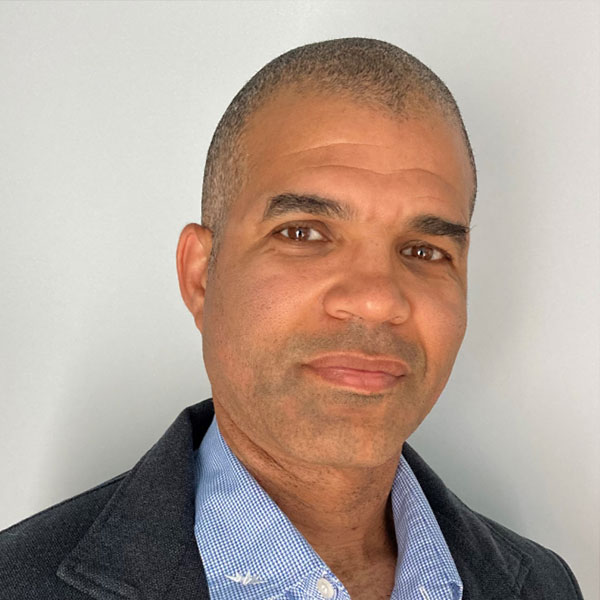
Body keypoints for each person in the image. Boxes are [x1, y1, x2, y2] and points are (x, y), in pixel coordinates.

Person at [0, 38, 582, 600]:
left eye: (424, 250)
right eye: (303, 233)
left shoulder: (545, 586)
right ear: (201, 276)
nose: (378, 299)